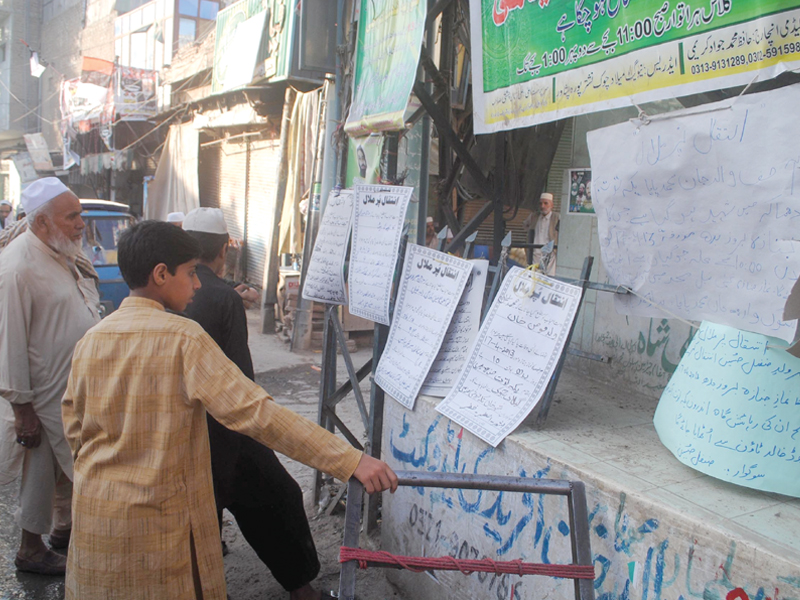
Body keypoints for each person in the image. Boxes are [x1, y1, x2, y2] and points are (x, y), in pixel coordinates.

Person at [61, 220, 397, 600]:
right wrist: (348, 460)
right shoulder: (183, 338)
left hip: (95, 520)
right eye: (190, 273)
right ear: (160, 274)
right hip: (158, 525)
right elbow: (256, 413)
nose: (198, 284)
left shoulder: (92, 339)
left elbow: (74, 427)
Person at [183, 208, 329, 600]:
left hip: (185, 427)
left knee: (204, 514)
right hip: (227, 429)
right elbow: (239, 382)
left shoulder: (179, 291)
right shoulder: (218, 297)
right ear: (224, 249)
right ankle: (302, 589)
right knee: (278, 497)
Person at [0, 178, 101, 575]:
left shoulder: (60, 251)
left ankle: (62, 531)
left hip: (70, 387)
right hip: (41, 394)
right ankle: (30, 550)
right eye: (72, 216)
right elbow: (9, 345)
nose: (81, 223)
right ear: (41, 223)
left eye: (80, 215)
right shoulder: (17, 268)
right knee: (41, 472)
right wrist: (22, 408)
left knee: (63, 467)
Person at [523, 192, 559, 276]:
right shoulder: (534, 216)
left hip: (550, 255)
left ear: (552, 205)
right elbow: (525, 225)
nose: (542, 206)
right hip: (535, 253)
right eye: (541, 203)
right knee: (534, 278)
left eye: (546, 203)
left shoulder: (556, 217)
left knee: (548, 278)